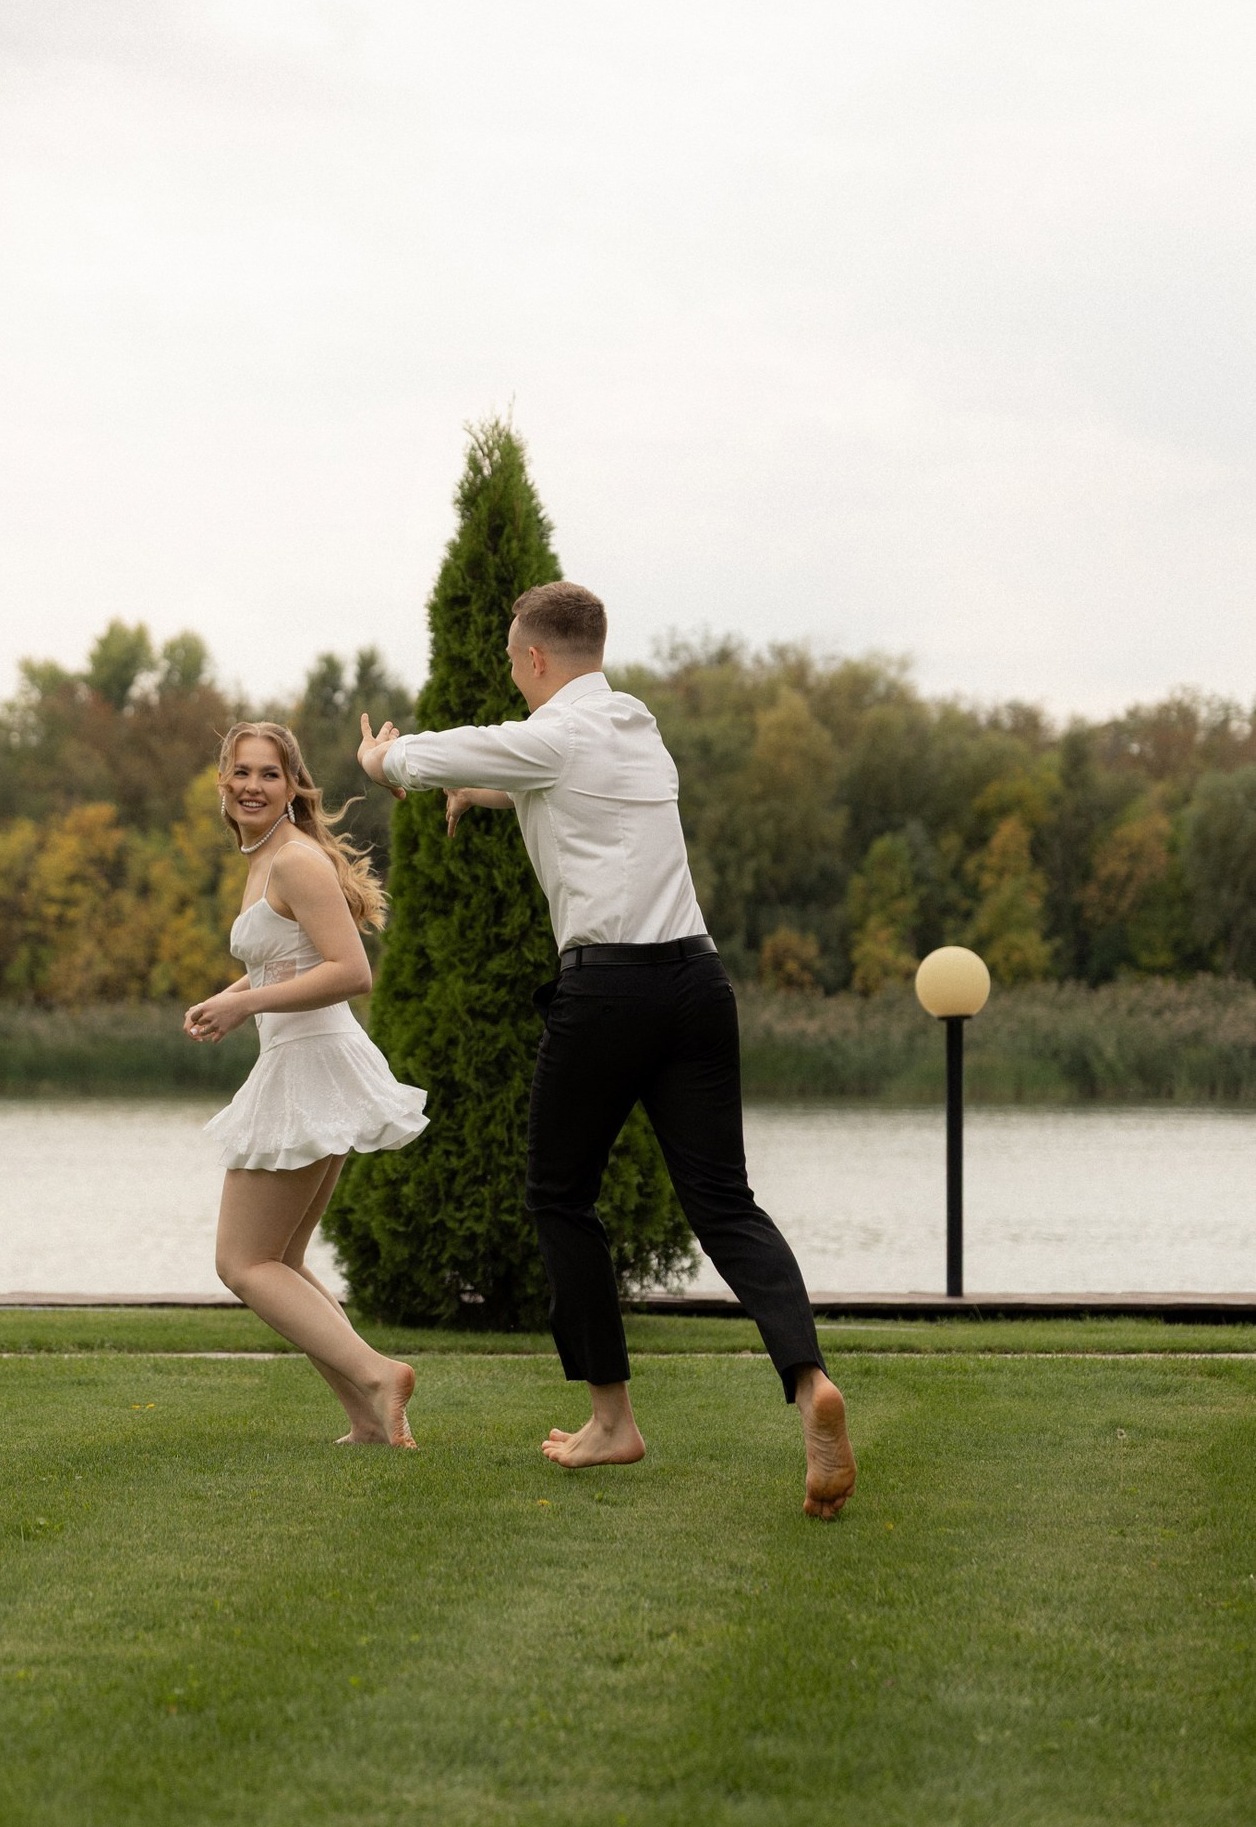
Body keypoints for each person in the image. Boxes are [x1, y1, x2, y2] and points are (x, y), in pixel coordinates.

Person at [356, 583, 856, 1516]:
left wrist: (379, 756)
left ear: (534, 659)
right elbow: (578, 797)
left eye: (514, 660)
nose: (514, 674)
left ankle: (611, 1420)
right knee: (725, 1203)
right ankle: (808, 1381)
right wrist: (490, 792)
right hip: (696, 983)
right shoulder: (637, 729)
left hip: (608, 992)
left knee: (558, 1195)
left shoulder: (549, 734)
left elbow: (422, 757)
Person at [186, 721, 427, 1448]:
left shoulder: (293, 860)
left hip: (311, 1064)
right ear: (222, 782)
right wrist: (232, 997)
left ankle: (380, 1374)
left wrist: (245, 1004)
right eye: (241, 772)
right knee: (280, 1261)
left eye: (269, 773)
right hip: (306, 1063)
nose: (252, 786)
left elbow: (351, 972)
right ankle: (368, 1419)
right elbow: (287, 960)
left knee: (242, 1262)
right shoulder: (267, 857)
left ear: (293, 785)